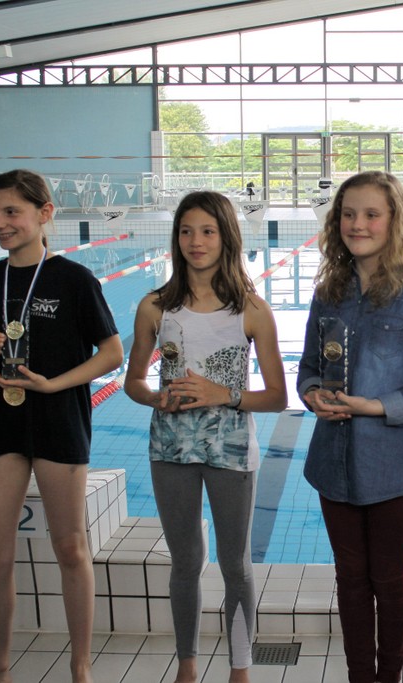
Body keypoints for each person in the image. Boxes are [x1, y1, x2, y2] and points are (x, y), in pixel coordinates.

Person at [0, 169, 124, 683]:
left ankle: (80, 665)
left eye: (11, 211)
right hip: (3, 425)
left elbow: (111, 353)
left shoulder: (74, 279)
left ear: (44, 213)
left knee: (70, 546)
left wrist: (55, 385)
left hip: (60, 421)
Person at [297, 171, 403, 683]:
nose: (357, 224)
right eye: (348, 214)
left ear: (394, 221)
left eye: (371, 214)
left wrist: (374, 406)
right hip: (333, 462)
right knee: (349, 579)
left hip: (393, 467)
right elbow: (307, 369)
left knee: (389, 579)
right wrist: (312, 394)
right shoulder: (328, 293)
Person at [124, 191, 287, 683]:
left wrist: (225, 394)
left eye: (208, 231)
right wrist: (155, 398)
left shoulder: (251, 310)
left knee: (235, 564)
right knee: (185, 562)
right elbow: (132, 382)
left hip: (231, 451)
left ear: (226, 237)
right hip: (170, 449)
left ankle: (240, 668)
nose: (196, 241)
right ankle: (187, 666)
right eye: (186, 231)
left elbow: (277, 396)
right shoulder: (155, 306)